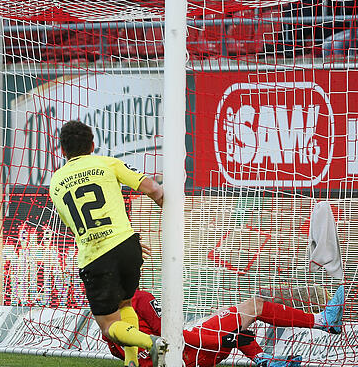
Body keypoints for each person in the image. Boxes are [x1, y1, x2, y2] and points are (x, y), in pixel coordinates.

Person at [48, 120, 167, 367]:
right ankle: (131, 363)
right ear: (93, 145)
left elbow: (73, 227)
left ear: (62, 151)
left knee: (108, 325)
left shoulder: (56, 182)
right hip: (127, 245)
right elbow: (153, 188)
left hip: (95, 255)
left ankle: (150, 343)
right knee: (126, 302)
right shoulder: (107, 163)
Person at [103, 285, 345, 367]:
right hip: (193, 354)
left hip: (182, 358)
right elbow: (177, 338)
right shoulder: (140, 298)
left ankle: (263, 360)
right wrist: (222, 340)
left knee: (233, 317)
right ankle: (323, 321)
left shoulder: (106, 320)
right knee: (254, 307)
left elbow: (125, 352)